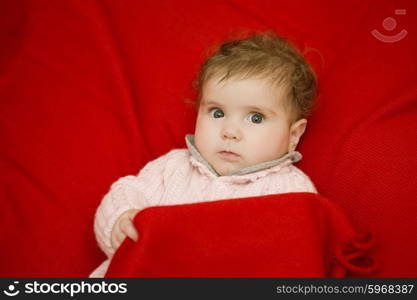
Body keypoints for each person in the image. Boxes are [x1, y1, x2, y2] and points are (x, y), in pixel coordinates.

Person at [90, 31, 318, 277]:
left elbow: (298, 257)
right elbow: (125, 192)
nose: (230, 132)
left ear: (294, 135)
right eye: (217, 113)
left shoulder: (290, 192)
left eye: (256, 117)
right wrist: (120, 221)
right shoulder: (174, 167)